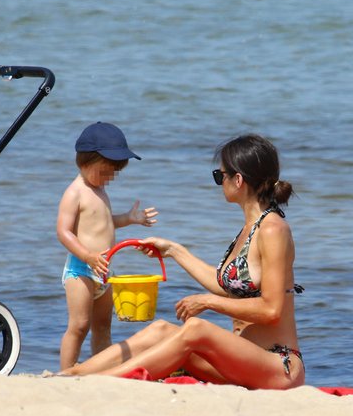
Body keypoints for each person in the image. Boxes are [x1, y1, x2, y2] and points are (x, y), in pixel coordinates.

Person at [61, 134, 304, 390]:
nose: (219, 182)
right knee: (162, 330)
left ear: (238, 180)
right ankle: (71, 373)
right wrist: (174, 250)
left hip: (278, 365)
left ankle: (100, 382)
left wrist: (206, 302)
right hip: (241, 360)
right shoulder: (249, 228)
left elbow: (271, 310)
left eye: (219, 176)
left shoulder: (272, 230)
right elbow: (229, 286)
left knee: (196, 328)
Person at [56, 122, 158, 370]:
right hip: (81, 269)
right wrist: (87, 255)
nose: (110, 178)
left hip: (104, 271)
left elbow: (103, 223)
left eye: (114, 173)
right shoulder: (75, 193)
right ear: (85, 162)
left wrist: (129, 219)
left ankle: (100, 367)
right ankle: (66, 371)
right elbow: (63, 231)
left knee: (103, 326)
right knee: (79, 325)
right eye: (105, 171)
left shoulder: (99, 190)